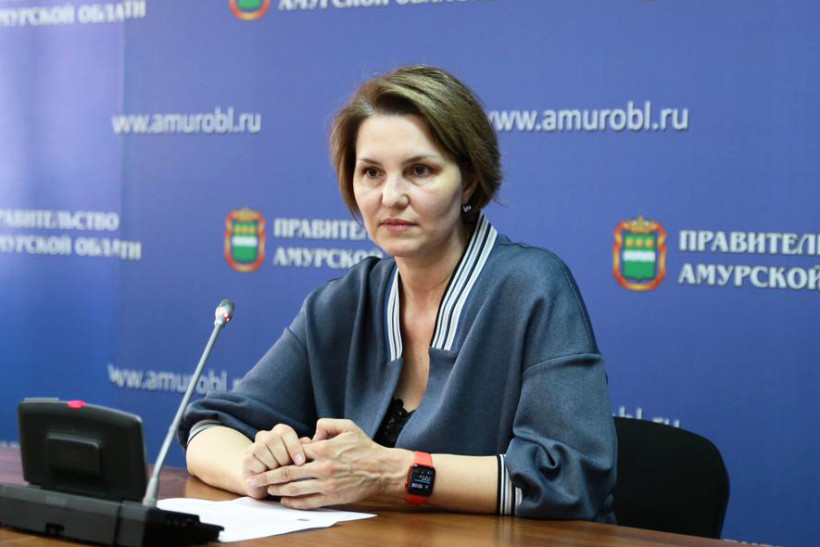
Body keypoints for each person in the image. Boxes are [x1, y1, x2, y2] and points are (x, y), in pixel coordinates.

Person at [179, 65, 616, 521]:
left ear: (468, 180)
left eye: (419, 170)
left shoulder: (531, 288)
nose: (391, 196)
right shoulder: (347, 300)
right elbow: (209, 429)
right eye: (371, 172)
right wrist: (257, 471)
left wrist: (392, 474)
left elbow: (570, 479)